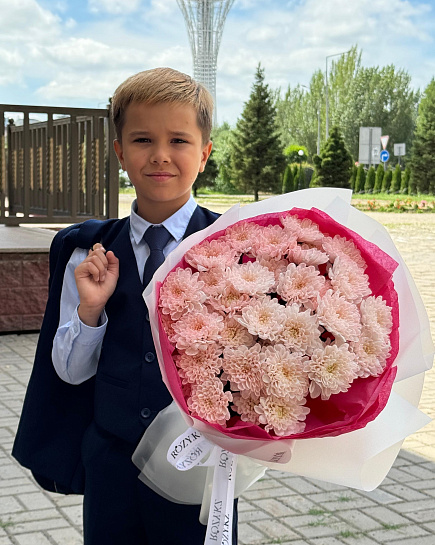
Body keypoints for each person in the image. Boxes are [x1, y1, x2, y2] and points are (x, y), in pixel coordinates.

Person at [13, 67, 238, 544]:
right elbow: (70, 372)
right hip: (111, 462)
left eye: (179, 140)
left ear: (205, 153)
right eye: (141, 140)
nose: (160, 155)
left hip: (198, 466)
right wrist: (90, 312)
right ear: (119, 151)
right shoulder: (88, 252)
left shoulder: (235, 249)